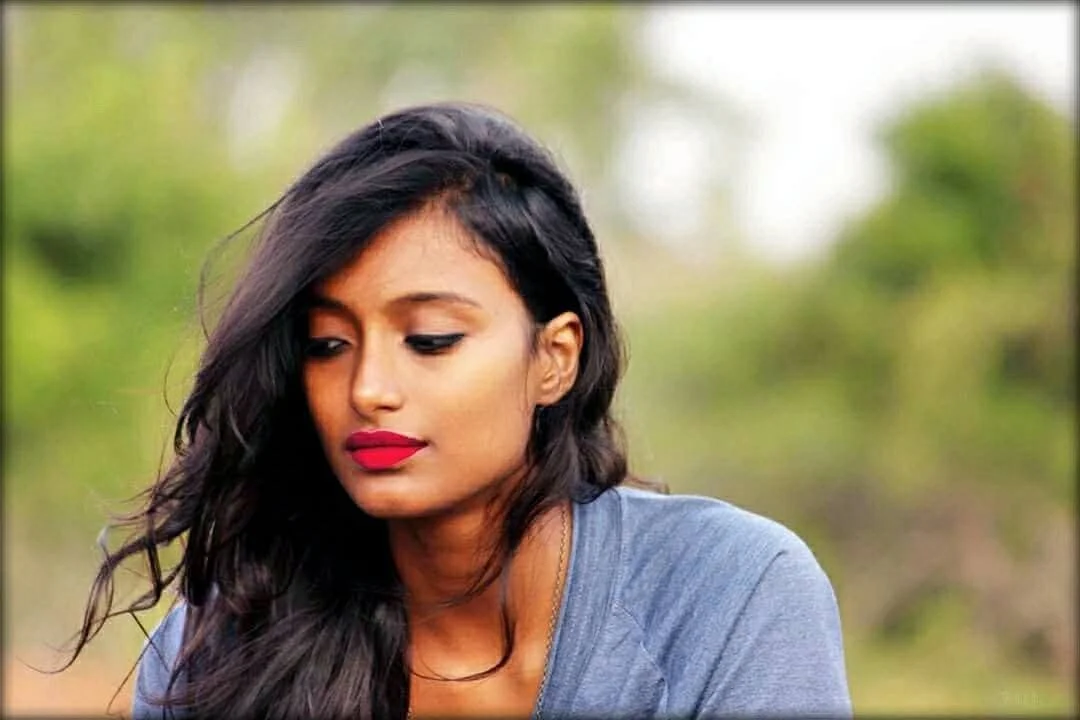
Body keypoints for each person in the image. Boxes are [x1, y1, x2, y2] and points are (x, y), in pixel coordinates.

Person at [68, 101, 851, 719]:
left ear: (554, 357)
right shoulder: (221, 645)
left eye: (432, 340)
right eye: (328, 345)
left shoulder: (725, 598)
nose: (369, 388)